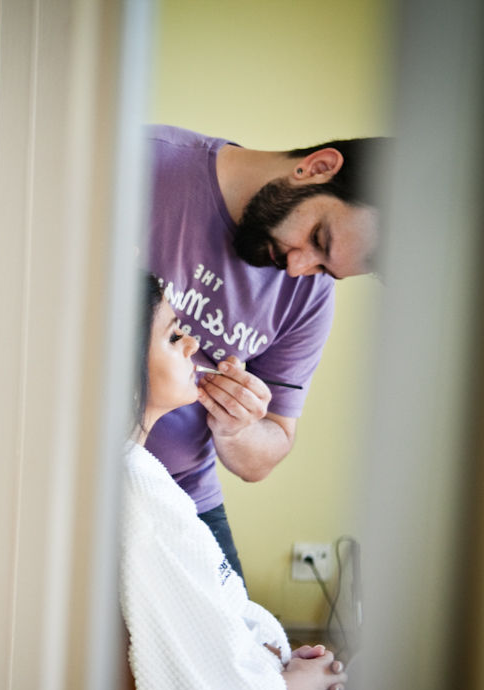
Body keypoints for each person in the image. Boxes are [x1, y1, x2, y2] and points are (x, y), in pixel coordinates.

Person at [121, 275, 351, 690]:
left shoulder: (139, 480)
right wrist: (297, 687)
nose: (194, 345)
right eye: (175, 335)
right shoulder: (148, 509)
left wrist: (272, 660)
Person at [144, 125, 388, 580]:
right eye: (318, 238)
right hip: (60, 470)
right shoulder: (144, 163)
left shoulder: (309, 295)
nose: (299, 267)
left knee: (255, 647)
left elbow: (269, 449)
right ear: (317, 167)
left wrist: (239, 429)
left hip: (182, 495)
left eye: (325, 269)